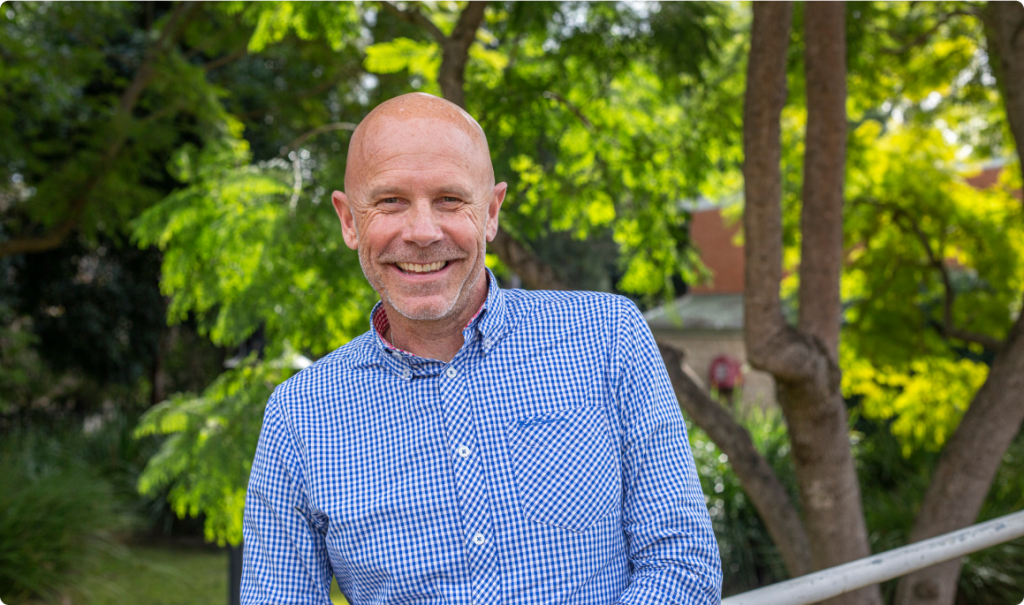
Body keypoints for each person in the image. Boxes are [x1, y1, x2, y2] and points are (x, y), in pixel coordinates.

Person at [240, 92, 722, 604]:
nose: (422, 232)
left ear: (490, 211)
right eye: (390, 201)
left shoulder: (607, 337)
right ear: (349, 221)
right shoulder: (299, 415)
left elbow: (681, 561)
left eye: (449, 199)